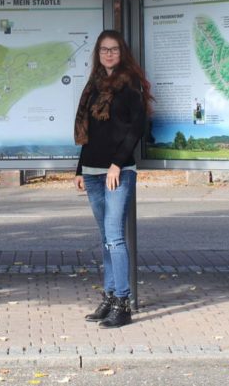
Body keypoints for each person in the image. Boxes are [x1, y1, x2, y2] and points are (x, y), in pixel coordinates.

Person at [73, 30, 151, 328]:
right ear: (98, 53)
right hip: (92, 172)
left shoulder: (130, 84)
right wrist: (80, 169)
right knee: (106, 239)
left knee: (115, 238)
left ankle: (123, 302)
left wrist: (117, 164)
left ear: (122, 52)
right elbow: (89, 132)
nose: (109, 54)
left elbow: (137, 128)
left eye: (114, 49)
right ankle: (109, 296)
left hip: (118, 172)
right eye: (104, 49)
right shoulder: (93, 85)